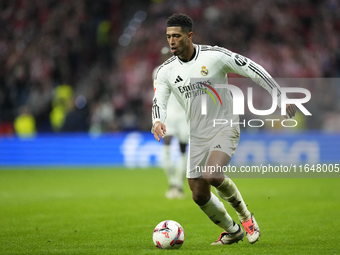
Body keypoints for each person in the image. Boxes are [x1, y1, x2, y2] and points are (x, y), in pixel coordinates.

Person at [151, 13, 296, 246]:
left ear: (189, 36)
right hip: (197, 134)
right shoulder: (165, 71)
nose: (171, 41)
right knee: (198, 194)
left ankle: (246, 218)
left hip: (224, 125)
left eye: (176, 36)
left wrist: (279, 95)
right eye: (168, 37)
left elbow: (252, 68)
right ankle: (232, 230)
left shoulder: (215, 56)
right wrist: (157, 120)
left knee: (213, 174)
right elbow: (159, 99)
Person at [153, 48, 189, 199]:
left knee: (179, 150)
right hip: (172, 116)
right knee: (173, 150)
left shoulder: (158, 71)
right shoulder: (186, 70)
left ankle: (177, 185)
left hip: (181, 116)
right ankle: (174, 184)